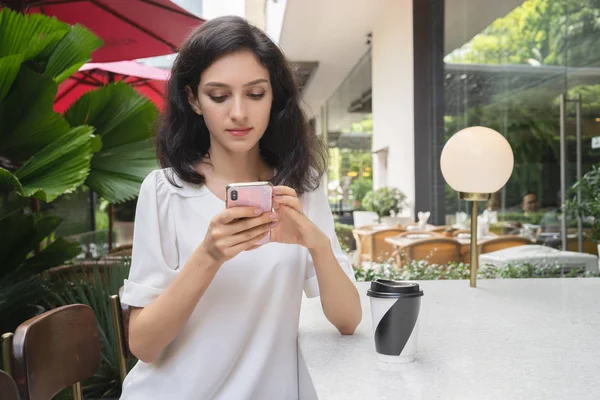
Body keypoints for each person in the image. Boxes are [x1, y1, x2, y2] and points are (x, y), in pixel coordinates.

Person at [119, 16, 361, 400]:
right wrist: (209, 255)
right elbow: (144, 345)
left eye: (255, 93)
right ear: (194, 100)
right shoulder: (164, 191)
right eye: (218, 95)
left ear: (274, 98)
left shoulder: (301, 190)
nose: (238, 113)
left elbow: (348, 320)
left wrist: (316, 244)